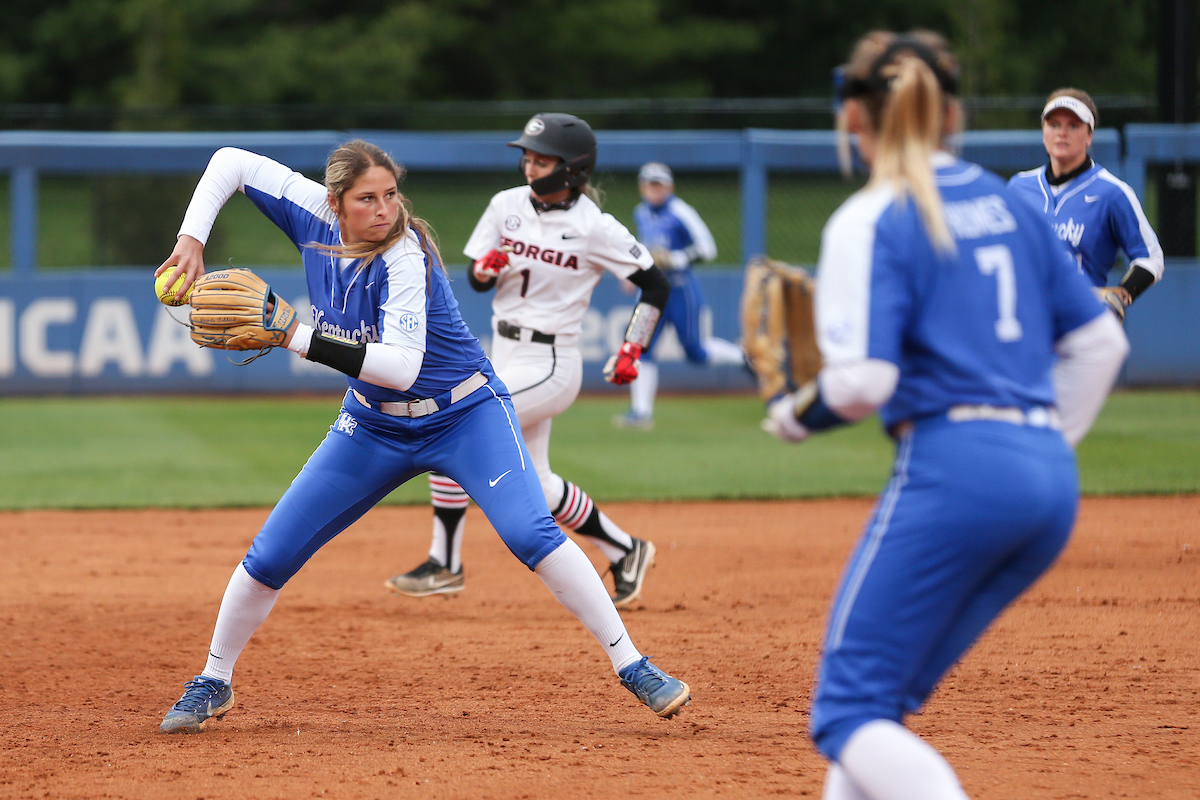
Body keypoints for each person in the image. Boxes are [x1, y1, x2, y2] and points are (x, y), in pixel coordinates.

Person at [154, 139, 690, 733]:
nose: (384, 209)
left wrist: (293, 334)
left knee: (528, 532)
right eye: (367, 199)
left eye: (390, 194)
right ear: (336, 204)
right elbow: (231, 160)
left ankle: (632, 663)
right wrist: (191, 237)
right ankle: (213, 679)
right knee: (272, 552)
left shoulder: (405, 255)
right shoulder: (308, 212)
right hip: (373, 425)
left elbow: (401, 368)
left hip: (464, 415)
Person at [762, 31, 1128, 799]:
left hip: (956, 469)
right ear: (952, 114)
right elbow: (1100, 344)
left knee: (844, 715)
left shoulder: (873, 217)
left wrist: (798, 415)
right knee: (879, 709)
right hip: (1046, 481)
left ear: (854, 118)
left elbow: (862, 382)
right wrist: (1034, 443)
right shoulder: (1011, 202)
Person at [385, 113, 668, 609]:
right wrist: (484, 269)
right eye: (528, 156)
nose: (530, 166)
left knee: (453, 419)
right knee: (537, 480)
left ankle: (445, 563)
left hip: (553, 362)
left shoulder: (594, 227)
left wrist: (634, 345)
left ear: (573, 169)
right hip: (505, 349)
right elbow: (475, 277)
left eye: (542, 159)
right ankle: (626, 550)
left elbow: (656, 285)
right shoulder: (506, 205)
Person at [1008, 88, 1164, 321]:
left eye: (1073, 125)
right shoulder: (1018, 187)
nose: (1062, 133)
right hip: (1027, 320)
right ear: (1043, 132)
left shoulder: (1112, 192)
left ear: (1089, 136)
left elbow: (1152, 258)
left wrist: (1122, 293)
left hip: (1081, 321)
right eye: (1054, 124)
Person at [613, 162, 745, 430]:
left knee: (695, 352)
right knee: (640, 347)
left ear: (669, 187)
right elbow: (645, 251)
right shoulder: (641, 212)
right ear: (642, 187)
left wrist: (676, 258)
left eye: (659, 184)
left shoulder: (680, 212)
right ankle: (641, 413)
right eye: (649, 184)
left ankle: (745, 358)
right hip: (652, 290)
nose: (654, 189)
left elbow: (708, 249)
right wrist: (633, 273)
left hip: (681, 289)